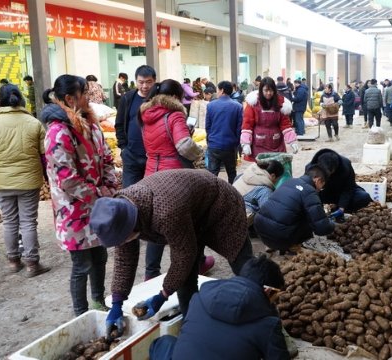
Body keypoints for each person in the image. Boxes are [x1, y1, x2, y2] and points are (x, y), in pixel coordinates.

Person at [90, 170, 254, 330]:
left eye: (123, 239)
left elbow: (183, 255)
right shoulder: (121, 211)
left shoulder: (165, 212)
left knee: (243, 264)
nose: (123, 243)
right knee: (185, 281)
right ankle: (193, 327)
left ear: (131, 225)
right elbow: (125, 261)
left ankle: (263, 306)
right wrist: (117, 303)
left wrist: (163, 295)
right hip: (190, 213)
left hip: (221, 204)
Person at [41, 74, 119, 315]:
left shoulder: (91, 124)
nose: (89, 96)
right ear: (69, 98)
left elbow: (106, 157)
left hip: (97, 205)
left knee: (100, 256)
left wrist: (109, 185)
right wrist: (98, 195)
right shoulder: (58, 132)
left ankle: (98, 302)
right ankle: (81, 313)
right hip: (73, 209)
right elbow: (67, 178)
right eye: (84, 92)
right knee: (81, 264)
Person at [148, 255, 289, 360]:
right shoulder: (268, 325)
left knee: (162, 343)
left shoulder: (198, 299)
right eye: (275, 295)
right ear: (268, 291)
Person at [140, 79, 210, 280]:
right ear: (175, 97)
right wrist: (199, 152)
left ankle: (151, 273)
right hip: (174, 176)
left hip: (151, 173)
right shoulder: (174, 115)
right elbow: (184, 146)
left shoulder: (146, 115)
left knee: (155, 225)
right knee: (186, 224)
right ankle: (190, 269)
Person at [0, 84, 50, 276]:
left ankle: (13, 262)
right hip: (29, 181)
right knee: (28, 222)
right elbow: (45, 157)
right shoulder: (33, 123)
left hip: (2, 182)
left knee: (9, 222)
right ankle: (32, 265)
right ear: (21, 100)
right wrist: (48, 179)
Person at [254, 164, 335, 254]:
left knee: (295, 211)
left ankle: (273, 245)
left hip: (261, 231)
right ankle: (293, 246)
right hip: (279, 237)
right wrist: (332, 224)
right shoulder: (310, 191)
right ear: (318, 180)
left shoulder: (289, 181)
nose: (320, 189)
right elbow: (322, 228)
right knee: (309, 219)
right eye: (322, 186)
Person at [115, 65, 156, 188]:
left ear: (154, 81)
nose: (144, 86)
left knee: (153, 192)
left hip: (153, 157)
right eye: (141, 82)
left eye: (149, 82)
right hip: (131, 155)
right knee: (129, 192)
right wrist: (123, 148)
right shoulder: (128, 98)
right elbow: (119, 123)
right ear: (136, 81)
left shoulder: (160, 99)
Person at [241, 77, 299, 162]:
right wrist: (245, 143)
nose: (268, 93)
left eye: (271, 91)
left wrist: (292, 141)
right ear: (261, 90)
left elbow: (285, 124)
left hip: (276, 142)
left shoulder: (281, 103)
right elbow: (247, 123)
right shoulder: (253, 104)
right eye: (266, 90)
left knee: (276, 170)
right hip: (258, 143)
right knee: (261, 170)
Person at [307, 149, 372, 221]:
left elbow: (349, 188)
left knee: (363, 197)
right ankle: (327, 212)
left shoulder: (345, 165)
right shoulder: (311, 168)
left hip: (342, 192)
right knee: (310, 199)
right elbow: (308, 191)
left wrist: (342, 207)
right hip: (325, 193)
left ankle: (339, 210)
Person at [205, 81, 242, 184]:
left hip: (214, 144)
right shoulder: (238, 106)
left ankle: (212, 196)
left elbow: (207, 126)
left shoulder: (211, 105)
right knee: (232, 173)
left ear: (222, 90)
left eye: (217, 90)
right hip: (230, 146)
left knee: (212, 174)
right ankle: (233, 195)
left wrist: (210, 139)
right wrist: (237, 144)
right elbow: (239, 129)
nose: (216, 92)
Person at [233, 160, 284, 225]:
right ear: (273, 176)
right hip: (238, 221)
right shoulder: (264, 191)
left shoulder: (244, 174)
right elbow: (268, 214)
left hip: (229, 209)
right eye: (278, 179)